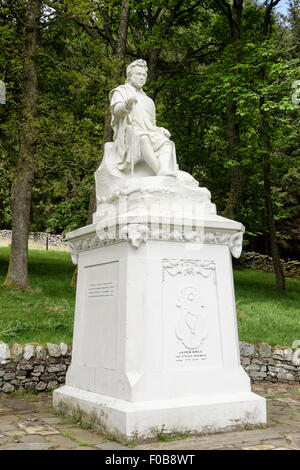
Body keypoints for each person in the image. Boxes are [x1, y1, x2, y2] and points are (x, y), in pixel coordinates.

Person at [109, 59, 178, 177]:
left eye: (144, 75)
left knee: (166, 142)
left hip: (147, 131)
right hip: (129, 131)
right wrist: (127, 106)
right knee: (143, 137)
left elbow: (151, 125)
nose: (141, 77)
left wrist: (160, 130)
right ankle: (159, 171)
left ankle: (164, 169)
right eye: (138, 74)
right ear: (130, 76)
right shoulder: (121, 91)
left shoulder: (148, 101)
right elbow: (116, 110)